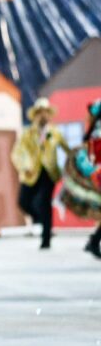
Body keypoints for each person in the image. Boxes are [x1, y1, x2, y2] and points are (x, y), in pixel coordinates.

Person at [12, 97, 69, 250]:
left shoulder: (55, 133)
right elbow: (17, 153)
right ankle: (42, 222)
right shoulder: (28, 133)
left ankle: (46, 238)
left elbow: (68, 150)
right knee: (24, 201)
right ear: (35, 115)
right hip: (31, 172)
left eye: (45, 113)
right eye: (40, 113)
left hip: (49, 173)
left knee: (44, 202)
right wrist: (24, 166)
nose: (43, 116)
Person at [58, 99, 101, 258]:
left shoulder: (95, 130)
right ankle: (94, 241)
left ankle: (94, 241)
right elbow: (95, 156)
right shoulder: (98, 131)